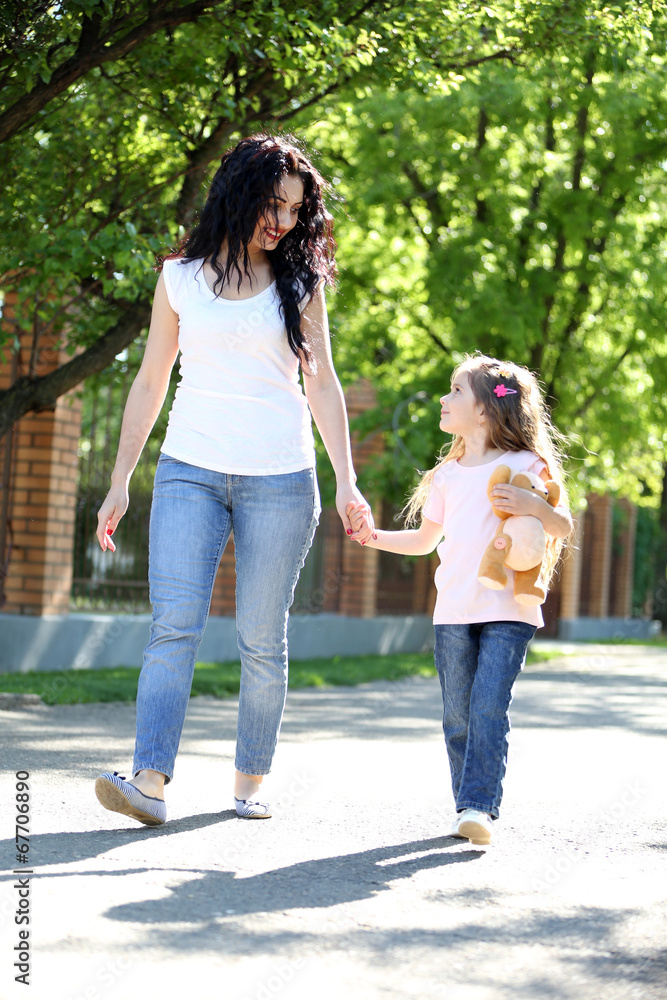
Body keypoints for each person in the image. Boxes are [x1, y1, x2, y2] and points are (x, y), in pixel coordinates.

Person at [93, 133, 374, 826]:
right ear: (239, 194)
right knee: (173, 628)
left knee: (259, 636)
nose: (280, 221)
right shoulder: (179, 278)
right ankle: (149, 782)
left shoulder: (298, 283)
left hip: (280, 479)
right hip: (189, 471)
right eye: (270, 205)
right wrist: (121, 478)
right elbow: (151, 379)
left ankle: (249, 783)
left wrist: (347, 480)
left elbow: (324, 383)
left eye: (293, 211)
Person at [347, 353, 572, 846]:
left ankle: (478, 807)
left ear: (487, 412)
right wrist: (372, 537)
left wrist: (535, 505)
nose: (444, 400)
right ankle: (466, 805)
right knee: (456, 715)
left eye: (455, 392)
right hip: (453, 610)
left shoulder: (527, 465)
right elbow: (427, 541)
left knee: (488, 706)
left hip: (509, 610)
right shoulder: (447, 475)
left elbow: (562, 526)